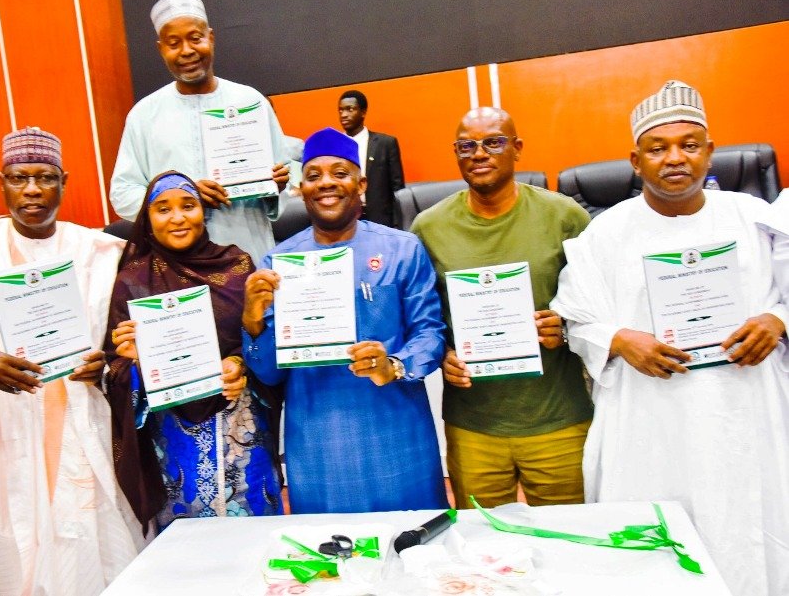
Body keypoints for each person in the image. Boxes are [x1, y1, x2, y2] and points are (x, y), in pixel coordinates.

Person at [551, 80, 789, 596]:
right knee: (658, 549)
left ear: (710, 151)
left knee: (750, 534)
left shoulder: (756, 220)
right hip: (651, 418)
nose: (675, 158)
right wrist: (618, 339)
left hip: (745, 412)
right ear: (636, 162)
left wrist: (777, 319)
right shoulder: (604, 234)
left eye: (689, 145)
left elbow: (786, 298)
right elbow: (575, 319)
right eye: (657, 148)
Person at [0, 127, 142, 596]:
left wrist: (103, 365)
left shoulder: (100, 251)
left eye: (45, 178)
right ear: (2, 183)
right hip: (10, 418)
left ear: (64, 181)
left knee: (97, 531)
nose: (33, 190)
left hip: (84, 411)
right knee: (20, 535)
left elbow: (124, 334)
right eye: (19, 178)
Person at [242, 127, 447, 513]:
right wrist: (252, 320)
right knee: (328, 546)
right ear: (301, 189)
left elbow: (430, 334)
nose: (326, 183)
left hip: (398, 435)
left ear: (361, 184)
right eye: (313, 175)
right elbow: (268, 372)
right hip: (318, 442)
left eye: (339, 173)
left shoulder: (402, 250)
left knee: (413, 541)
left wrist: (393, 365)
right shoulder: (279, 263)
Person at [410, 107, 593, 509]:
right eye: (466, 146)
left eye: (493, 142)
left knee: (573, 537)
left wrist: (564, 328)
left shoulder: (565, 217)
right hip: (474, 425)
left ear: (517, 148)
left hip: (558, 419)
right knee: (481, 540)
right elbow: (421, 318)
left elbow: (600, 306)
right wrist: (442, 354)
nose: (479, 153)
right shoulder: (428, 228)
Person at [105, 171, 283, 531]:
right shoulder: (132, 281)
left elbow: (264, 344)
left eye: (188, 205)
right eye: (163, 209)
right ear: (147, 218)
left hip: (241, 427)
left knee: (256, 538)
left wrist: (240, 364)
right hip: (173, 440)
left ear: (203, 211)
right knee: (187, 547)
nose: (177, 218)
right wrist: (136, 361)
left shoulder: (237, 266)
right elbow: (116, 371)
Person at [110, 0, 290, 263]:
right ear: (161, 49)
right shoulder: (144, 115)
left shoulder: (250, 102)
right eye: (174, 43)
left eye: (195, 38)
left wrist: (277, 185)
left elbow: (284, 173)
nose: (186, 51)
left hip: (248, 249)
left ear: (211, 38)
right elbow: (123, 193)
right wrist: (182, 197)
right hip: (177, 266)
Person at [338, 90, 405, 227]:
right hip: (345, 220)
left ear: (363, 112)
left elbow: (398, 188)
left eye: (350, 109)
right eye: (341, 110)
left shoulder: (385, 144)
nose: (344, 115)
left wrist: (398, 225)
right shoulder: (334, 145)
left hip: (380, 220)